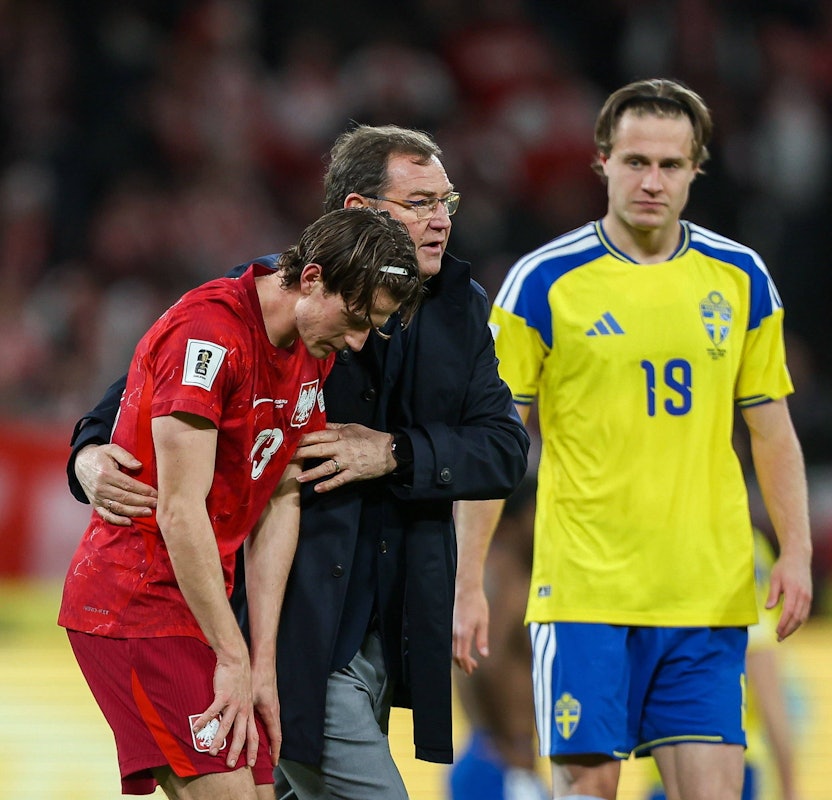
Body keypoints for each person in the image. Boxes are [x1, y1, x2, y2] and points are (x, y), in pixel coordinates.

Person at [66, 125, 530, 799]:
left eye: (447, 203)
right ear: (357, 212)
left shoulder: (455, 311)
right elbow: (140, 398)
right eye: (420, 203)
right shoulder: (257, 310)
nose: (439, 221)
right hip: (264, 613)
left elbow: (501, 449)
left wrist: (394, 451)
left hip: (383, 609)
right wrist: (85, 455)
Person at [457, 78, 814, 800]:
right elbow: (492, 444)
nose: (651, 180)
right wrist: (466, 581)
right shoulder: (541, 283)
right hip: (588, 594)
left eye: (670, 165)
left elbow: (770, 430)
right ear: (601, 162)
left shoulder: (740, 277)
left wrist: (797, 549)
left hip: (705, 595)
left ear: (696, 170)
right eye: (634, 161)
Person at [58, 207, 422, 800]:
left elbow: (279, 496)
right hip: (135, 603)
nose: (357, 342)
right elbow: (179, 510)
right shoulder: (208, 335)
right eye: (356, 319)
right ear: (310, 278)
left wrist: (261, 662)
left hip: (203, 608)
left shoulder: (314, 344)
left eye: (371, 326)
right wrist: (232, 656)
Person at [646, 528, 804, 800]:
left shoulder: (658, 536)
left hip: (670, 760)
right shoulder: (739, 543)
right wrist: (789, 788)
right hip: (724, 756)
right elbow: (763, 673)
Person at [449, 478, 550, 800]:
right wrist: (505, 746)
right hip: (499, 760)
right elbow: (482, 662)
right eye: (540, 512)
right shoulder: (504, 574)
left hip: (495, 755)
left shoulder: (513, 574)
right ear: (517, 518)